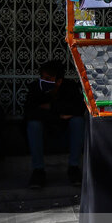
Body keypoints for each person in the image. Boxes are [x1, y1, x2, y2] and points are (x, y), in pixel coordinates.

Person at [24, 60, 87, 188]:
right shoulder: (36, 88)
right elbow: (29, 112)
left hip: (65, 132)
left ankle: (73, 168)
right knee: (33, 124)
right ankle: (38, 171)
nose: (43, 81)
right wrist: (58, 114)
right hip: (45, 131)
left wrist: (51, 107)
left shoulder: (70, 87)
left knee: (78, 121)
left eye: (48, 78)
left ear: (58, 81)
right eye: (42, 78)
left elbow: (79, 109)